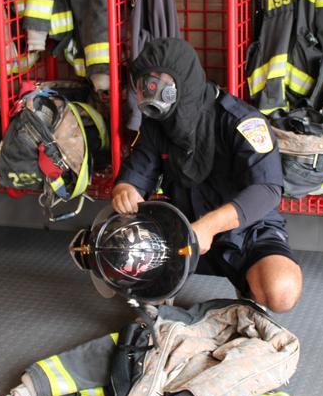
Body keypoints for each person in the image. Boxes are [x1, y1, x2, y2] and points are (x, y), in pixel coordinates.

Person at [111, 37, 302, 313]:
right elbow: (136, 174)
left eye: (161, 81)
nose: (152, 90)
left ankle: (249, 283)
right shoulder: (157, 124)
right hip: (182, 230)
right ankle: (161, 289)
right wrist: (124, 190)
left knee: (281, 292)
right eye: (146, 82)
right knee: (119, 257)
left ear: (184, 79)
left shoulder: (242, 122)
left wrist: (210, 226)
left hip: (245, 231)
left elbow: (268, 189)